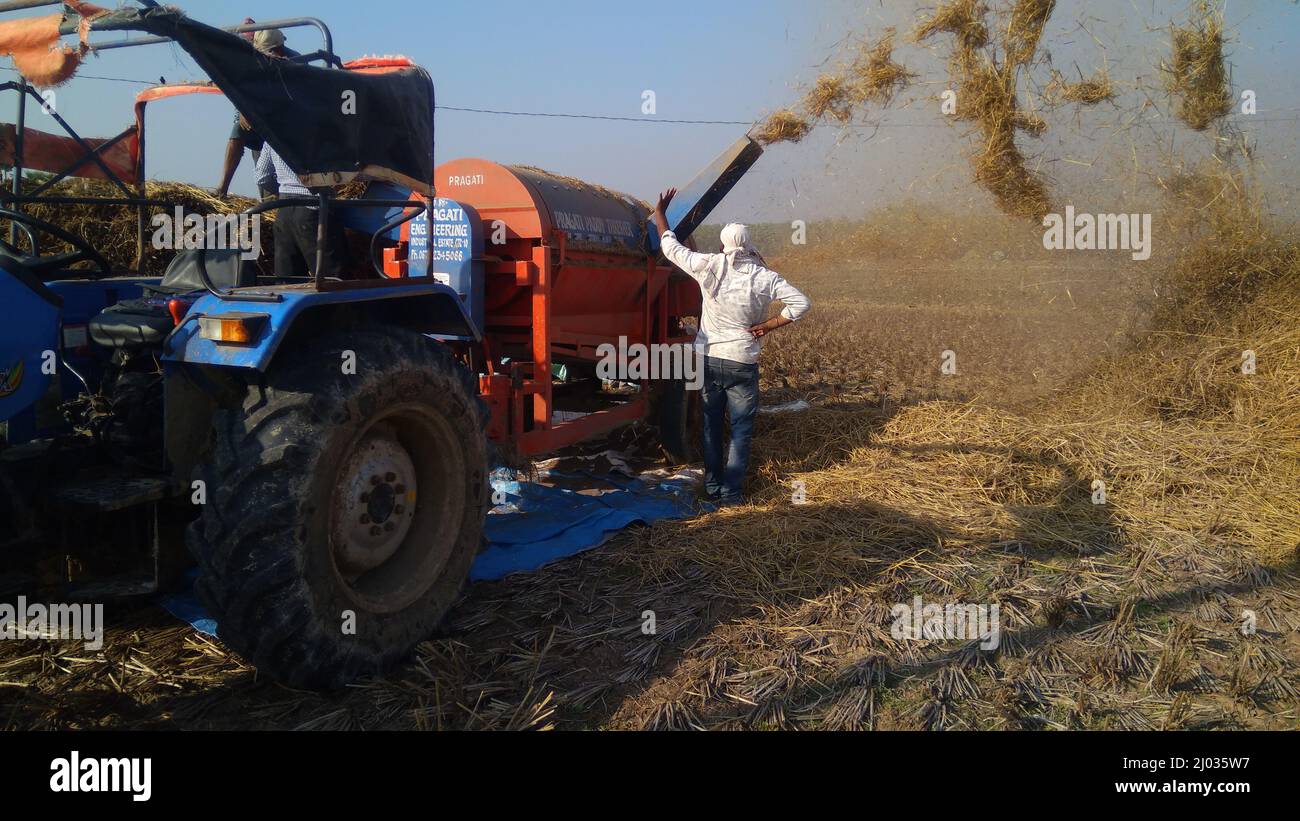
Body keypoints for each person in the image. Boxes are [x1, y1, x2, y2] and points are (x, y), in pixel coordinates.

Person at [652, 188, 811, 506]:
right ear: (749, 243)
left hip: (710, 359)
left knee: (711, 424)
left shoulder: (708, 265)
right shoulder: (765, 277)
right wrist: (768, 325)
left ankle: (711, 488)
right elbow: (801, 303)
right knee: (740, 429)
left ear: (723, 244)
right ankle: (732, 493)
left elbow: (670, 248)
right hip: (742, 361)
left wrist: (659, 214)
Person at [215, 28, 299, 200]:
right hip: (259, 113)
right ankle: (222, 188)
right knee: (238, 132)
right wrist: (244, 109)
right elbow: (238, 87)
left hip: (284, 120)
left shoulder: (296, 62)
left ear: (279, 49)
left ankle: (282, 199)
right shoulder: (252, 60)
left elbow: (298, 100)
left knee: (272, 173)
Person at [255, 141, 351, 278]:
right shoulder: (318, 130)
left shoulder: (272, 134)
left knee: (288, 282)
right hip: (314, 210)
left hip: (284, 213)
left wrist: (285, 193)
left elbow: (261, 177)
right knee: (333, 279)